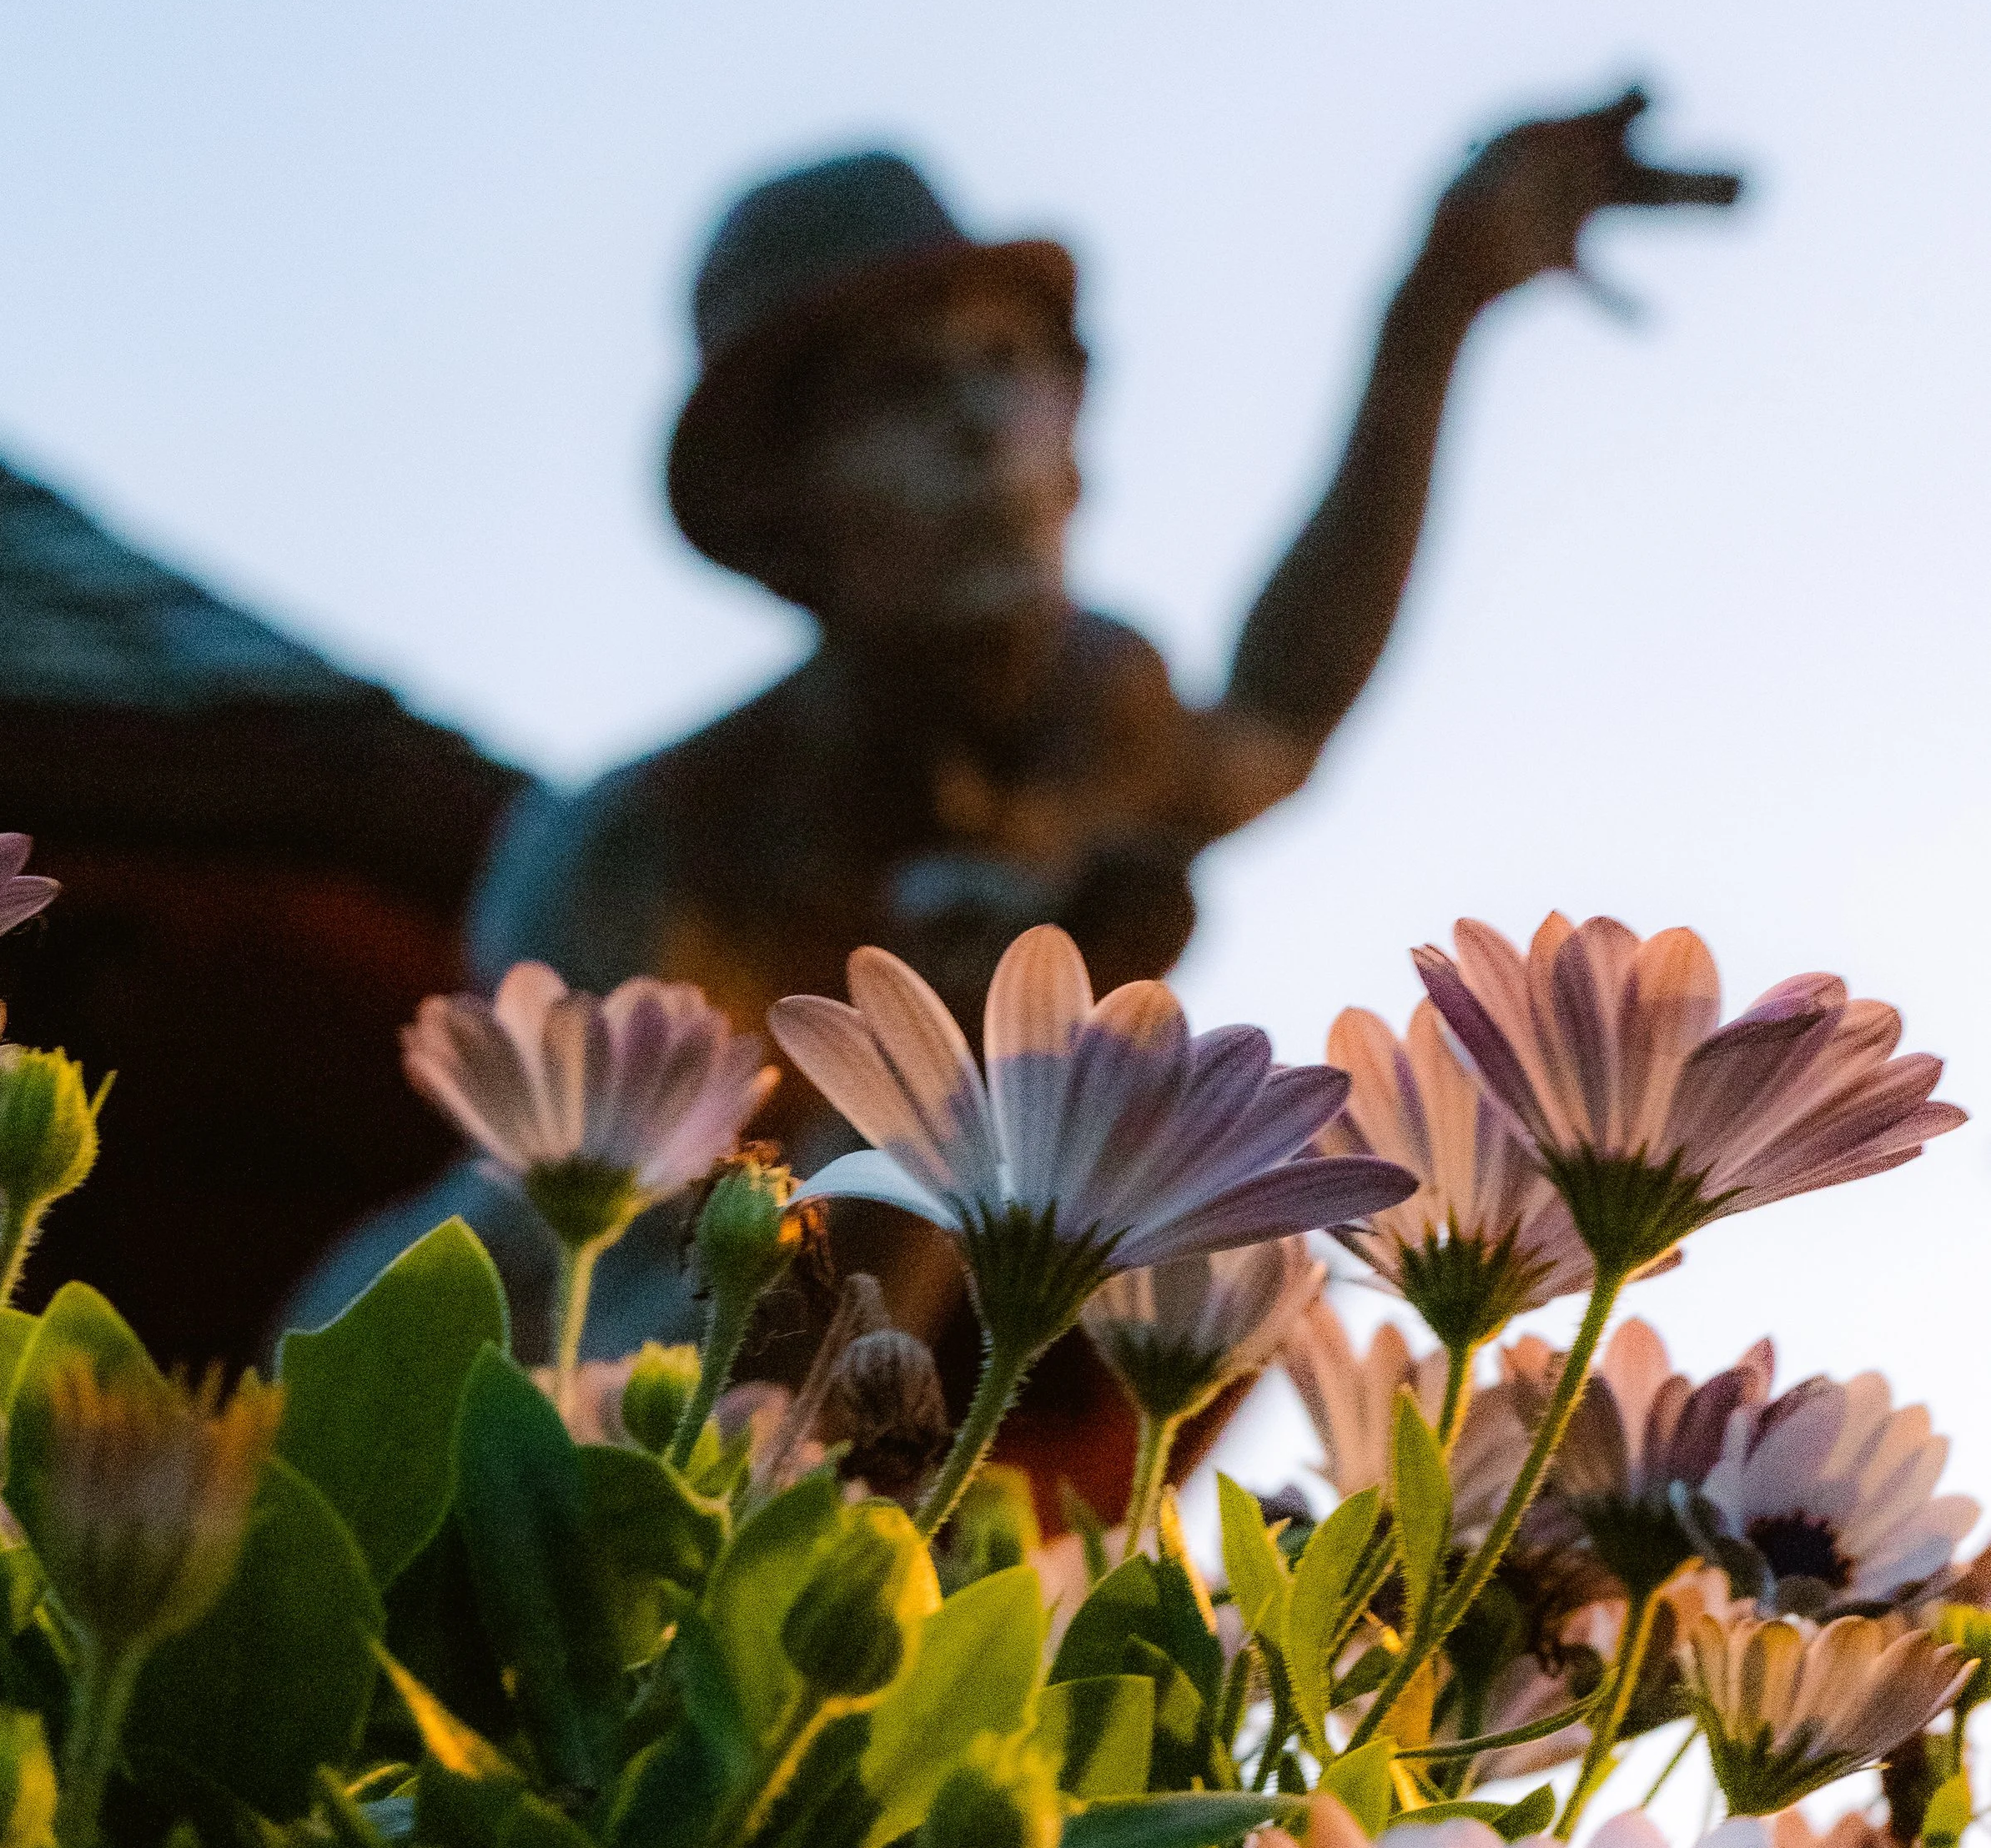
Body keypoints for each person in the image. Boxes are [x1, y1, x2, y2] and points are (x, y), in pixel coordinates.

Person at [284, 87, 1739, 1397]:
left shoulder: (1095, 712)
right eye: (901, 393)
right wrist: (947, 1076)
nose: (981, 423)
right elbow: (635, 1318)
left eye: (1004, 362)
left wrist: (1437, 311)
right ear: (790, 512)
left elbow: (1279, 717)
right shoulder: (645, 851)